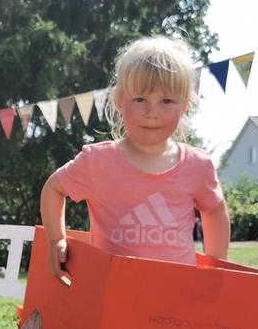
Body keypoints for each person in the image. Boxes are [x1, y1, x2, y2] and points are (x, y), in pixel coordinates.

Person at [40, 37, 230, 285]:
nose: (152, 112)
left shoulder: (198, 164)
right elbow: (53, 189)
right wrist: (57, 240)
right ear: (120, 100)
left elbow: (214, 209)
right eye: (140, 99)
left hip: (178, 297)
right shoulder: (97, 160)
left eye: (166, 101)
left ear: (184, 105)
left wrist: (216, 268)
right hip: (111, 296)